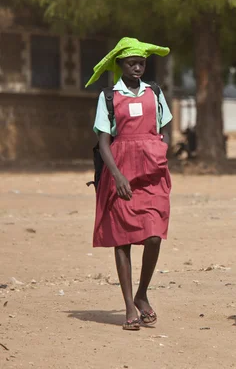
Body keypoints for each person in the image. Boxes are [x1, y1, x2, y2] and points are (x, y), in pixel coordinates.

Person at [88, 37, 172, 331]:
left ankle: (142, 293)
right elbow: (103, 139)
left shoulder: (154, 92)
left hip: (152, 173)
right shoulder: (109, 97)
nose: (137, 67)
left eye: (141, 63)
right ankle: (128, 306)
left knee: (153, 234)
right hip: (120, 172)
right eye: (131, 63)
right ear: (120, 65)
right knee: (123, 239)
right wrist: (117, 175)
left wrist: (161, 152)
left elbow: (163, 128)